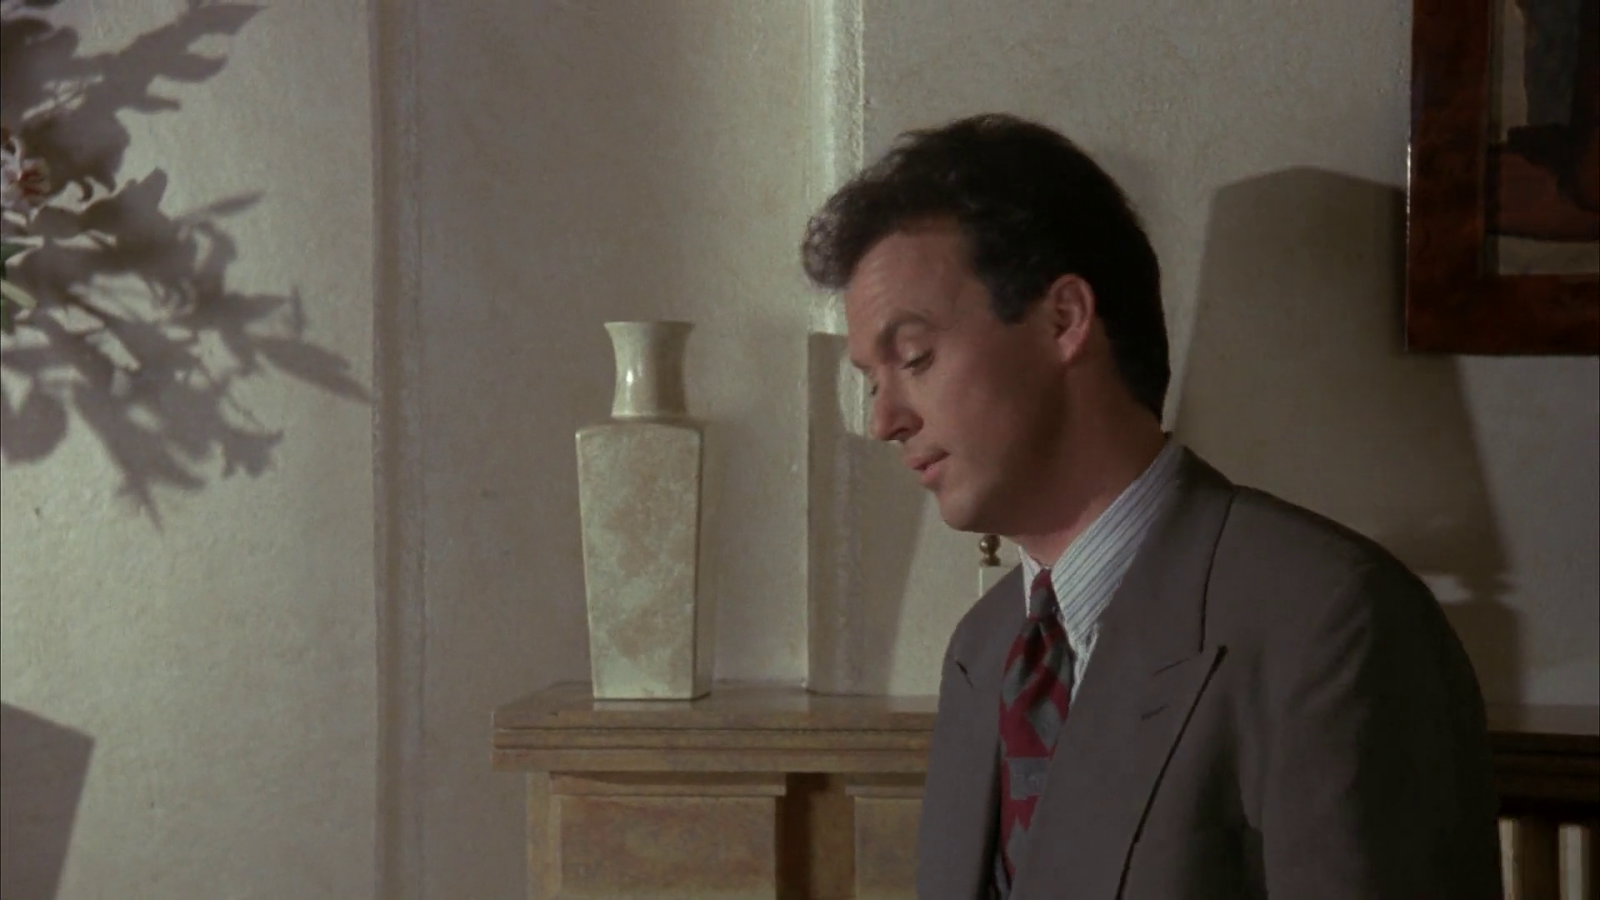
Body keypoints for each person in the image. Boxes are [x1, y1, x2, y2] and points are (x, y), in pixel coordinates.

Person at [800, 113, 1502, 899]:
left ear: (1064, 319)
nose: (884, 421)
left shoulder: (1332, 623)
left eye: (915, 357)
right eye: (872, 381)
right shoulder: (983, 649)